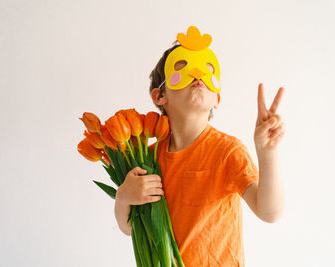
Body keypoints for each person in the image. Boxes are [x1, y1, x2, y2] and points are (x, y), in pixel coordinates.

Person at [114, 26, 286, 266]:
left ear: (217, 98)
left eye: (207, 70)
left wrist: (268, 153)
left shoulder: (228, 151)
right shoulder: (149, 160)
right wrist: (123, 198)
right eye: (182, 68)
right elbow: (132, 228)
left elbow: (270, 212)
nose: (197, 74)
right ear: (159, 96)